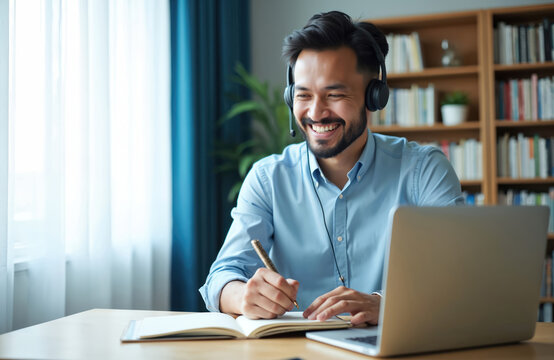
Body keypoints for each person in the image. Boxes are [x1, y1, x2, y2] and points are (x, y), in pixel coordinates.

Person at [199, 11, 463, 326]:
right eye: (303, 95)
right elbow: (221, 275)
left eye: (334, 95)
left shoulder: (425, 171)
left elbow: (459, 275)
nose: (316, 112)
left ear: (373, 96)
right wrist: (243, 296)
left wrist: (386, 304)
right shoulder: (268, 178)